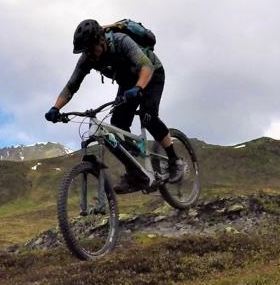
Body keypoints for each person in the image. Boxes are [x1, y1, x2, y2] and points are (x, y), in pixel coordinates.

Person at [45, 18, 184, 193]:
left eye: (91, 48)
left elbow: (146, 65)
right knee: (116, 126)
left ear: (101, 40)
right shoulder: (88, 58)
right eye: (86, 51)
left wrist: (139, 88)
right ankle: (136, 175)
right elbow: (71, 86)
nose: (89, 54)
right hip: (128, 83)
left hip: (151, 73)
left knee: (147, 116)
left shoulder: (120, 41)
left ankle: (175, 161)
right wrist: (56, 108)